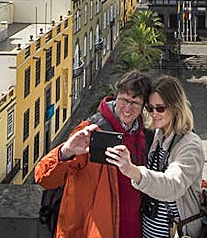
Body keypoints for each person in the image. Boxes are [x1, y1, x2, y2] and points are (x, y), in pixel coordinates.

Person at [35, 71, 153, 238]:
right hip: (90, 231)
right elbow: (44, 179)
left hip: (131, 229)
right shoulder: (90, 130)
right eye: (124, 100)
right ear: (116, 96)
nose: (128, 108)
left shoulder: (143, 136)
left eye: (135, 103)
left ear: (143, 107)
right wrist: (65, 152)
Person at [107, 75, 206, 238]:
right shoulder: (157, 137)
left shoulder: (190, 144)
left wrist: (132, 171)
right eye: (149, 108)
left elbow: (173, 185)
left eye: (160, 108)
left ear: (175, 107)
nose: (154, 114)